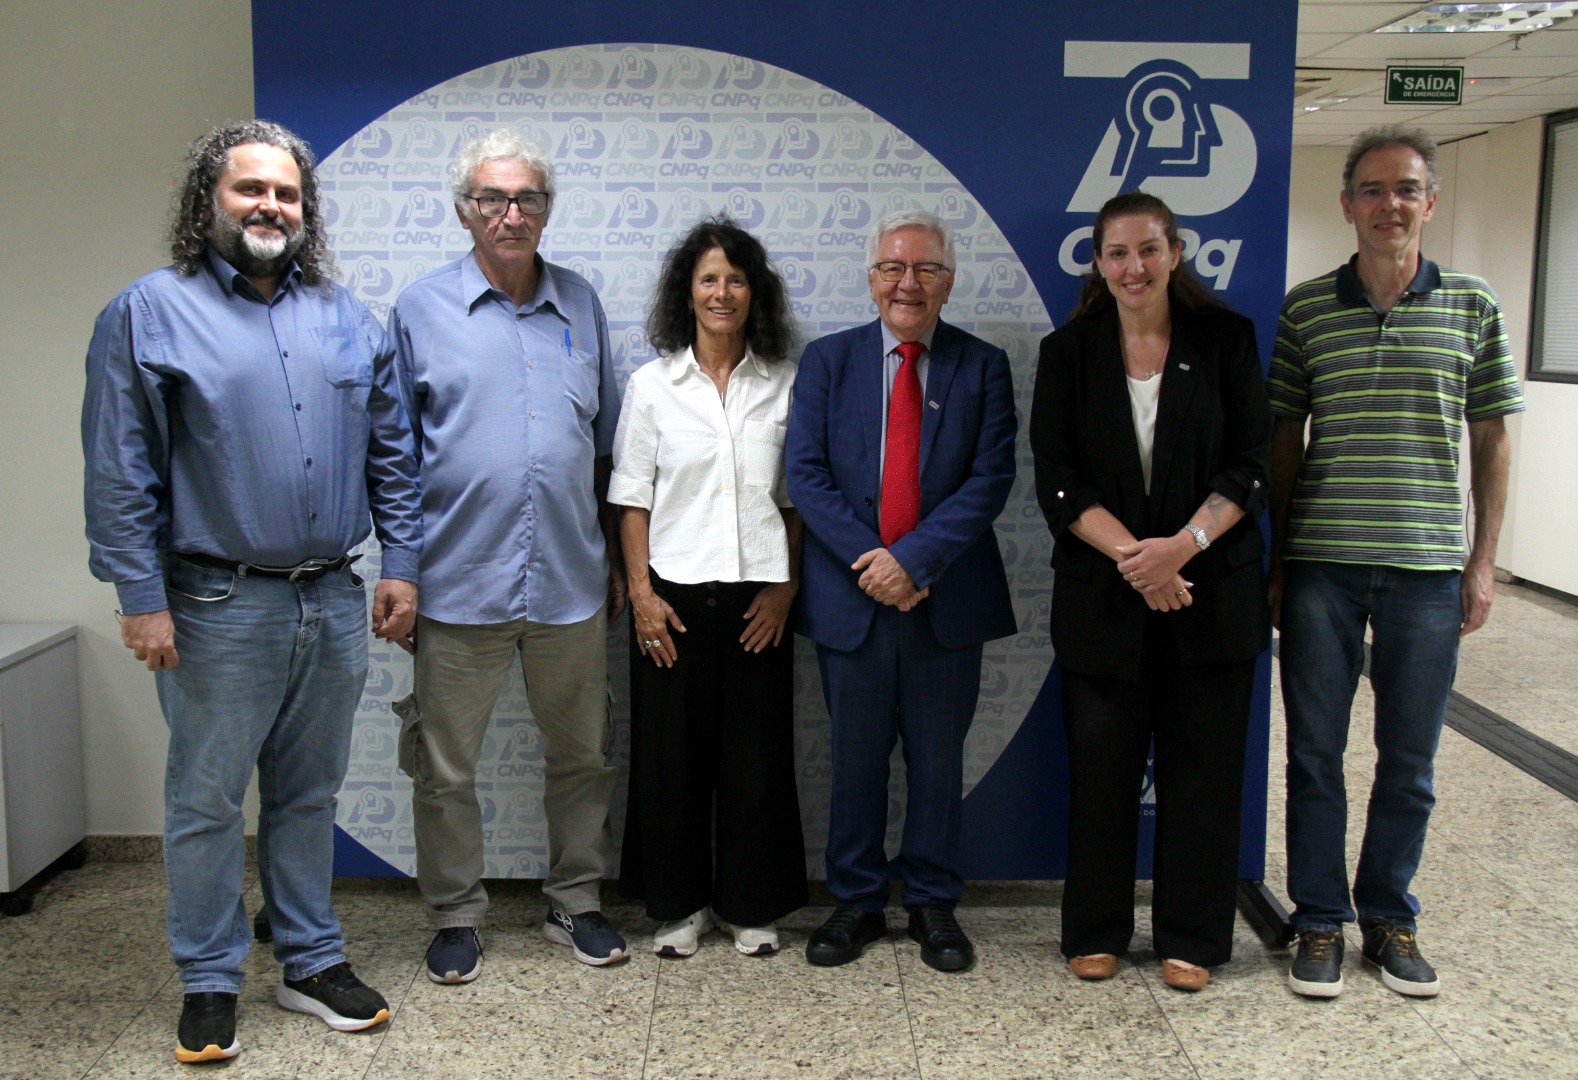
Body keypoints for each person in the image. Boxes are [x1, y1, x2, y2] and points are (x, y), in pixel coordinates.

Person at [81, 120, 420, 1063]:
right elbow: (119, 468)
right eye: (251, 189)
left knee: (310, 795)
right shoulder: (149, 312)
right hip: (213, 605)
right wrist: (139, 596)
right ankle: (209, 978)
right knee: (207, 800)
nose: (271, 206)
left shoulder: (349, 318)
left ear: (306, 211)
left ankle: (310, 960)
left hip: (333, 599)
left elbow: (394, 456)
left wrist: (401, 564)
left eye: (287, 193)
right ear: (209, 201)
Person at [1270, 125, 1524, 999]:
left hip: (1426, 569)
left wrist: (1482, 561)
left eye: (1407, 189)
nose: (1390, 205)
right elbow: (1284, 442)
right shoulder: (1307, 309)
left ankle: (1388, 916)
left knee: (1409, 760)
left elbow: (1492, 441)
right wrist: (1277, 561)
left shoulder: (1474, 305)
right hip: (1322, 567)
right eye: (1373, 191)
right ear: (1347, 205)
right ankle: (1317, 919)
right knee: (1314, 755)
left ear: (1430, 202)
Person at [387, 128, 627, 983]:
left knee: (585, 755)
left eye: (527, 198)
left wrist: (616, 559)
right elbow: (395, 459)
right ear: (465, 211)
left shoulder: (582, 304)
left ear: (547, 211)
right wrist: (400, 572)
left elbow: (607, 449)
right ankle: (456, 914)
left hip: (570, 581)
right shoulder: (419, 311)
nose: (511, 214)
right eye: (493, 198)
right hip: (456, 584)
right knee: (444, 766)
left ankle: (575, 900)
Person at [1030, 192, 1271, 992]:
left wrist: (1183, 549)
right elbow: (1058, 481)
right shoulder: (1069, 353)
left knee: (1203, 777)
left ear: (1175, 254)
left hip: (1211, 596)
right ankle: (1095, 929)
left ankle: (1192, 937)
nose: (1134, 267)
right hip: (1106, 601)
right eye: (1117, 252)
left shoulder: (1226, 340)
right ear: (1098, 263)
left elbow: (1251, 466)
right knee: (1101, 778)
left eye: (1148, 250)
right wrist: (1142, 562)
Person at [787, 209, 1017, 973]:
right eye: (892, 267)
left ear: (949, 282)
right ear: (871, 278)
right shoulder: (828, 361)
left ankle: (931, 901)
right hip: (853, 599)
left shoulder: (982, 365)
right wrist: (876, 564)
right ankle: (856, 899)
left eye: (925, 269)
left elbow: (989, 480)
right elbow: (805, 475)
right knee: (854, 761)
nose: (907, 283)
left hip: (945, 601)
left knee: (937, 762)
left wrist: (913, 563)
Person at [610, 216, 808, 957]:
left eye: (735, 279)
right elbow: (631, 499)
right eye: (708, 279)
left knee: (757, 763)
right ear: (686, 293)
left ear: (755, 293)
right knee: (672, 763)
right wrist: (642, 595)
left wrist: (786, 589)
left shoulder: (786, 385)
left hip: (761, 600)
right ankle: (679, 906)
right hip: (673, 602)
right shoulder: (652, 386)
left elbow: (797, 502)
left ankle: (750, 905)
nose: (721, 292)